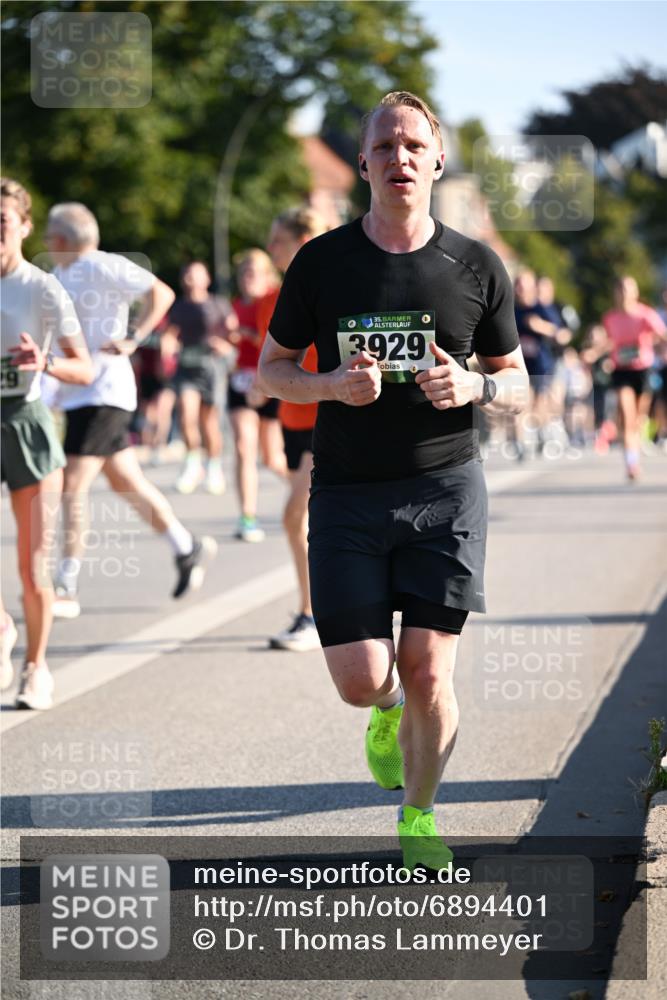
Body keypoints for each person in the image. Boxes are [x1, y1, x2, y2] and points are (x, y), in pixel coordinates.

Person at [258, 92, 528, 869]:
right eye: (384, 147)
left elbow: (518, 384)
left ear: (436, 159)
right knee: (365, 679)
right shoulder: (323, 262)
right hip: (345, 491)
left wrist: (474, 388)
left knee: (428, 669)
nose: (399, 158)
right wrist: (330, 385)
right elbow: (272, 371)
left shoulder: (474, 265)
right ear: (363, 165)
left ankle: (418, 816)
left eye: (413, 145)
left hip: (444, 489)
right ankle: (382, 714)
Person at [44, 202, 217, 619]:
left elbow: (161, 292)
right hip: (78, 394)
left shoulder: (101, 265)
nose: (47, 244)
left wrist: (134, 336)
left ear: (64, 240)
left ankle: (66, 584)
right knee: (125, 482)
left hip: (104, 392)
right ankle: (186, 547)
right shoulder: (57, 276)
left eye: (49, 236)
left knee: (72, 484)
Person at [0, 178, 93, 709]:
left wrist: (47, 362)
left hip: (27, 425)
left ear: (24, 226)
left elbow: (83, 365)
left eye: (3, 221)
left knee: (32, 565)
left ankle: (36, 668)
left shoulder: (41, 288)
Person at [257, 207, 328, 652]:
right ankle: (322, 612)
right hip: (292, 420)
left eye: (277, 239)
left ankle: (313, 615)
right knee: (310, 521)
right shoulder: (275, 294)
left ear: (301, 238)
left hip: (326, 418)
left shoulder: (328, 282)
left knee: (295, 517)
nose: (270, 249)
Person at [166, 261, 237, 495]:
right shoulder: (179, 307)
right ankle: (192, 463)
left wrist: (226, 345)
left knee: (209, 422)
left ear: (206, 279)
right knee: (187, 414)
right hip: (187, 367)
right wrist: (166, 353)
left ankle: (213, 467)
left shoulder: (218, 304)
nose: (189, 277)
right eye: (186, 273)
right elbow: (170, 335)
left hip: (211, 368)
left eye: (195, 274)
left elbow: (233, 333)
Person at [229, 249, 286, 542]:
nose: (247, 278)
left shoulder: (276, 300)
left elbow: (276, 343)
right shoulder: (236, 305)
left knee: (273, 458)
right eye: (244, 273)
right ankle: (247, 516)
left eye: (254, 272)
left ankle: (309, 497)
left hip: (272, 381)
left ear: (267, 276)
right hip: (241, 381)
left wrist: (248, 336)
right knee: (243, 446)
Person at [601, 275, 667, 479]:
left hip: (642, 370)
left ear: (636, 292)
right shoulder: (610, 317)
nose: (624, 294)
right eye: (620, 289)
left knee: (638, 420)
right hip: (621, 371)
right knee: (627, 416)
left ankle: (634, 456)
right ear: (615, 293)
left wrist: (656, 344)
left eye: (628, 289)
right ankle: (631, 465)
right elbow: (608, 342)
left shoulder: (646, 314)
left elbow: (662, 334)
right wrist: (598, 354)